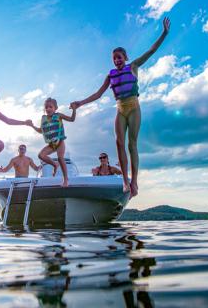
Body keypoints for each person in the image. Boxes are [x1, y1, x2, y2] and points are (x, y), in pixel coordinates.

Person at [70, 17, 170, 197]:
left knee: (132, 144)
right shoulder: (110, 75)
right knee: (118, 143)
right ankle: (125, 180)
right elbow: (97, 94)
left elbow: (151, 50)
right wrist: (80, 103)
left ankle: (134, 182)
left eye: (119, 57)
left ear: (125, 58)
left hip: (133, 107)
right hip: (120, 109)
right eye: (114, 58)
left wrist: (164, 33)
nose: (116, 60)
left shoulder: (133, 66)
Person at [29, 97, 76, 187]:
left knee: (60, 157)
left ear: (55, 108)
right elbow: (41, 130)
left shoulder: (59, 116)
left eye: (50, 107)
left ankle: (65, 179)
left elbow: (72, 119)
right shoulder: (43, 118)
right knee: (41, 155)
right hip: (51, 144)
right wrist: (32, 126)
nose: (48, 109)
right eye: (46, 107)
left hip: (60, 142)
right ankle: (55, 165)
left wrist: (74, 109)